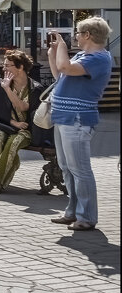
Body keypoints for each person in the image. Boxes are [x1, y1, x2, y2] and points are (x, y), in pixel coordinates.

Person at [47, 16, 113, 231]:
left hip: (77, 118)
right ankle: (72, 211)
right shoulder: (84, 55)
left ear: (88, 35)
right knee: (67, 167)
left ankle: (86, 216)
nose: (75, 36)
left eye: (77, 32)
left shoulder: (100, 58)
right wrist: (53, 53)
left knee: (80, 169)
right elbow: (60, 75)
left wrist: (63, 48)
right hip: (64, 116)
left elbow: (65, 68)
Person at [0, 51, 40, 193]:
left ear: (20, 67)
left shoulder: (34, 87)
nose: (4, 69)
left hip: (26, 130)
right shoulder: (3, 85)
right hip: (5, 125)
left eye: (7, 66)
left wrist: (7, 90)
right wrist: (13, 123)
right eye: (3, 65)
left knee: (13, 143)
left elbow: (23, 106)